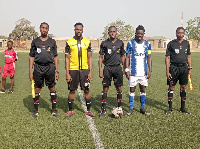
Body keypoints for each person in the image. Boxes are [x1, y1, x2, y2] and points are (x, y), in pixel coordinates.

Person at [29, 22, 60, 118]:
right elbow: (31, 57)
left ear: (48, 29)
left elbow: (55, 56)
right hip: (38, 67)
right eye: (42, 28)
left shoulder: (52, 42)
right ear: (40, 28)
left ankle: (54, 110)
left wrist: (57, 71)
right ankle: (36, 111)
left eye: (46, 28)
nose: (44, 30)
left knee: (52, 87)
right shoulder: (35, 42)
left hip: (50, 67)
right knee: (37, 88)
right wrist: (30, 71)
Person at [65, 22, 95, 118]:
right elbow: (67, 59)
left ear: (82, 30)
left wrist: (90, 72)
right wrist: (67, 73)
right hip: (73, 70)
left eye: (80, 29)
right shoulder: (69, 42)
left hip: (84, 70)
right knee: (72, 90)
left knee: (86, 90)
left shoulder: (87, 42)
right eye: (77, 29)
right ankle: (70, 110)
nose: (79, 31)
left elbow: (90, 58)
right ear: (74, 30)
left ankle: (89, 110)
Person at [98, 26, 125, 117]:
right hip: (107, 68)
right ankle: (103, 110)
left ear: (116, 32)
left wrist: (124, 68)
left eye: (114, 31)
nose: (112, 33)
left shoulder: (120, 43)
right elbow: (101, 57)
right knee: (105, 88)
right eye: (111, 32)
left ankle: (120, 108)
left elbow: (122, 56)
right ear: (108, 33)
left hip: (118, 68)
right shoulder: (104, 43)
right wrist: (100, 70)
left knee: (118, 88)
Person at [125, 25, 152, 116]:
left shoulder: (148, 44)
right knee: (132, 89)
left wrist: (150, 70)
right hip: (133, 72)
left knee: (143, 89)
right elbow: (127, 57)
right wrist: (126, 69)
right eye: (138, 33)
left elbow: (149, 57)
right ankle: (131, 108)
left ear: (144, 34)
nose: (139, 35)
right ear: (135, 34)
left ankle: (142, 107)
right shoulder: (130, 43)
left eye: (141, 33)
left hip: (143, 72)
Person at [165, 27, 192, 115]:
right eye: (179, 33)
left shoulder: (186, 43)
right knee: (171, 87)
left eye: (182, 33)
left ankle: (183, 108)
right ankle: (170, 108)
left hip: (184, 68)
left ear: (184, 33)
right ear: (176, 33)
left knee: (183, 87)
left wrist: (190, 68)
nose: (181, 35)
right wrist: (167, 71)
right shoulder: (171, 44)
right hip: (174, 68)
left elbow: (188, 56)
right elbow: (168, 57)